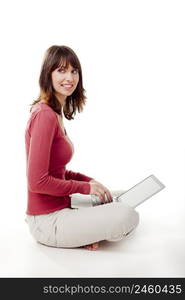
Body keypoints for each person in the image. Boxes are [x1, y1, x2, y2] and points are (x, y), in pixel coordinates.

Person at [25, 45, 139, 251]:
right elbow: (37, 181)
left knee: (119, 197)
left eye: (74, 70)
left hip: (63, 204)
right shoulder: (44, 115)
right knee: (127, 215)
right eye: (61, 70)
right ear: (47, 74)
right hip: (47, 221)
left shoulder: (54, 113)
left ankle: (84, 231)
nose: (69, 77)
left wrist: (89, 181)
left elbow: (58, 171)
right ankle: (80, 234)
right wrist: (84, 189)